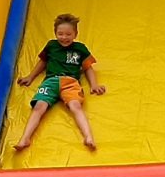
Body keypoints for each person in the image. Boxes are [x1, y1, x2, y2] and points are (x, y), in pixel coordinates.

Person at [13, 12, 107, 151]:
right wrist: (30, 77)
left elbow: (88, 68)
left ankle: (88, 136)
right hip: (50, 82)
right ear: (55, 33)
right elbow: (42, 62)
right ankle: (25, 138)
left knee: (75, 106)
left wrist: (94, 85)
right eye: (60, 34)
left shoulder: (80, 49)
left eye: (68, 34)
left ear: (75, 34)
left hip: (71, 82)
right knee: (39, 107)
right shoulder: (51, 46)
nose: (64, 37)